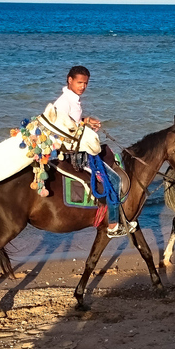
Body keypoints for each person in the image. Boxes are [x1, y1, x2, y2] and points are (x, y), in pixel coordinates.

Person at [53, 66, 132, 237]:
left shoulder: (72, 99)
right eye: (79, 82)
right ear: (70, 80)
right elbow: (62, 129)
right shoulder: (63, 103)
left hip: (79, 146)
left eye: (85, 83)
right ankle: (112, 225)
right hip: (75, 152)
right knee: (116, 180)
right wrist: (84, 131)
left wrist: (86, 121)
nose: (83, 86)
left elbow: (72, 122)